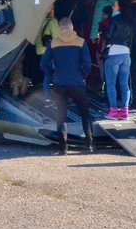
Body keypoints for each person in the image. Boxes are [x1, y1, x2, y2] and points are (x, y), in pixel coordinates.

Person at [40, 17, 95, 154]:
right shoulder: (81, 42)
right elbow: (88, 63)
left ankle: (63, 149)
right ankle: (89, 146)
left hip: (60, 83)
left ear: (60, 28)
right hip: (77, 82)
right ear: (71, 27)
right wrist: (83, 76)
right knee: (85, 114)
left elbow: (43, 63)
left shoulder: (54, 43)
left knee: (61, 115)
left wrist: (52, 74)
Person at [100, 0, 133, 119]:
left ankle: (113, 111)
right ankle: (125, 111)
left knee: (111, 84)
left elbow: (108, 35)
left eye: (114, 5)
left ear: (119, 7)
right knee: (124, 84)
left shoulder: (114, 20)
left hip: (114, 53)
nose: (112, 7)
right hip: (126, 55)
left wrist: (101, 34)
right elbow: (130, 40)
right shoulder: (129, 21)